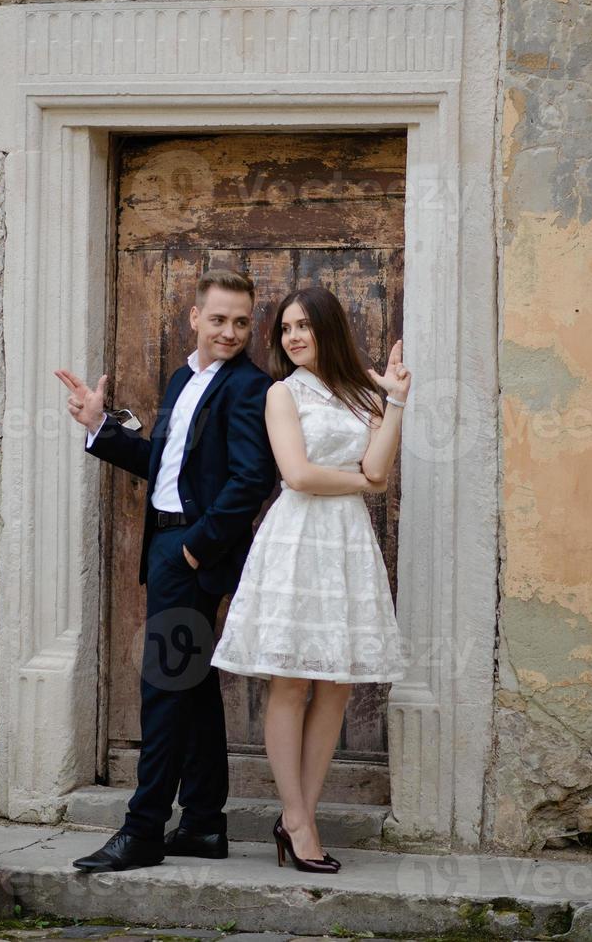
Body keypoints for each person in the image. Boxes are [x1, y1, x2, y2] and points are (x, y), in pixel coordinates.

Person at [55, 268, 276, 873]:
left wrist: (196, 550)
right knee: (193, 689)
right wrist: (101, 426)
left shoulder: (249, 387)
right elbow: (165, 461)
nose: (229, 331)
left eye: (240, 321)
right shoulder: (184, 378)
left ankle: (143, 830)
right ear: (194, 318)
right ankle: (203, 823)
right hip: (167, 551)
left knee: (163, 690)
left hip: (190, 557)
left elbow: (253, 479)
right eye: (218, 319)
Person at [209, 286, 410, 874]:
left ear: (328, 330)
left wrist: (395, 402)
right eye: (286, 329)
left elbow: (379, 468)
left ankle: (302, 813)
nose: (294, 337)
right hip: (296, 543)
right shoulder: (280, 394)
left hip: (346, 544)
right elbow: (296, 475)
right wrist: (363, 483)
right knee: (291, 683)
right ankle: (296, 820)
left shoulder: (364, 395)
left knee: (338, 684)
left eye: (304, 327)